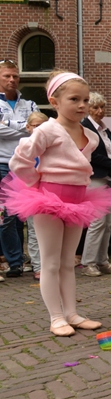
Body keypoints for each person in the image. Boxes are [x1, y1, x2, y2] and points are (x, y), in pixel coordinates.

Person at [2, 71, 111, 336]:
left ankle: (72, 313)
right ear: (54, 101)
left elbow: (81, 166)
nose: (82, 105)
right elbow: (20, 161)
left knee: (67, 262)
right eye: (74, 99)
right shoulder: (47, 129)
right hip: (48, 200)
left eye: (85, 100)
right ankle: (56, 318)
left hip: (78, 201)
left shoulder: (92, 136)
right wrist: (37, 186)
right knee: (50, 262)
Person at [80, 92, 111, 277]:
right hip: (94, 178)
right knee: (97, 221)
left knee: (108, 222)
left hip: (107, 178)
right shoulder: (84, 127)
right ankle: (88, 263)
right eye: (95, 107)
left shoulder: (105, 130)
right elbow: (92, 155)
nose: (100, 111)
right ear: (88, 109)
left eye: (102, 107)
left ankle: (102, 261)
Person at [0, 59, 37, 279]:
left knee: (22, 215)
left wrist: (7, 125)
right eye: (7, 76)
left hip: (25, 166)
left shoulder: (29, 104)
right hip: (3, 164)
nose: (12, 79)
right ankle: (14, 262)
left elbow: (38, 127)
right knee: (7, 216)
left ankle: (19, 260)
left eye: (15, 75)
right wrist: (25, 127)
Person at [23, 111, 49, 281]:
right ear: (28, 127)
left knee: (51, 230)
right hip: (32, 190)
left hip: (51, 190)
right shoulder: (25, 145)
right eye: (36, 126)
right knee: (34, 229)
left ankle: (50, 264)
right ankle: (38, 265)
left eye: (43, 126)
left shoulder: (51, 144)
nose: (40, 129)